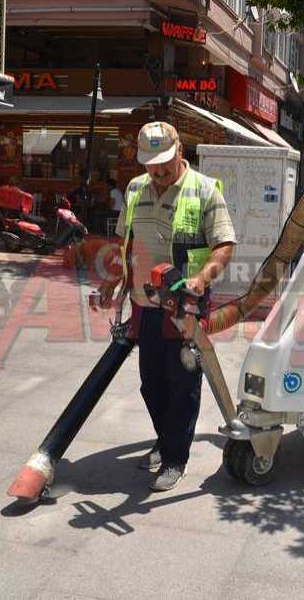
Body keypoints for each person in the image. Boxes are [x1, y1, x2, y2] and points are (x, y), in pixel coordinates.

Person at [96, 121, 236, 491]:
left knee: (183, 384)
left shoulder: (204, 190)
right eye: (151, 166)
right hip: (145, 303)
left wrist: (201, 279)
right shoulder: (135, 189)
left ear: (180, 153)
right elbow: (124, 242)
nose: (157, 173)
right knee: (151, 382)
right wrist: (113, 280)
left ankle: (175, 459)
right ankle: (165, 440)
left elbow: (224, 245)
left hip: (184, 306)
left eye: (164, 165)